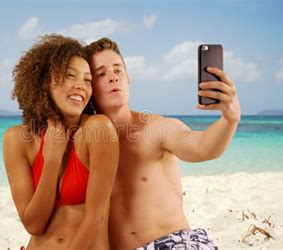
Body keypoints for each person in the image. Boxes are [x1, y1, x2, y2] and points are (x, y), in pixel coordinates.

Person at [85, 38, 241, 250]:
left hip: (174, 243)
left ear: (128, 80)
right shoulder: (83, 143)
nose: (113, 78)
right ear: (88, 86)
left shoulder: (156, 128)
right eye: (101, 74)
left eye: (118, 70)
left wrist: (229, 119)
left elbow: (203, 148)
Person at [2, 34, 119, 250]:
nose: (81, 86)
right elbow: (34, 225)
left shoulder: (98, 129)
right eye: (70, 75)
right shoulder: (16, 140)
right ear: (44, 81)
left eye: (87, 79)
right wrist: (52, 160)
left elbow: (96, 218)